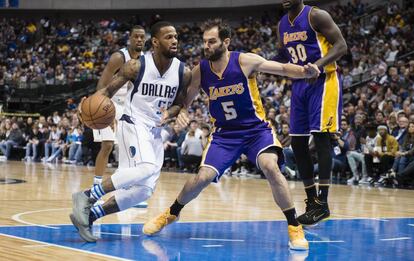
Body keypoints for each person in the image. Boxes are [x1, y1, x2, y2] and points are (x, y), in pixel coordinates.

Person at [142, 18, 320, 251]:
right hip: (225, 134)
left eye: (212, 41)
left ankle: (293, 226)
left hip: (256, 131)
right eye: (205, 42)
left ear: (225, 42)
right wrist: (182, 111)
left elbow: (282, 68)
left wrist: (305, 71)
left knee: (270, 166)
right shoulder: (201, 70)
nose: (206, 46)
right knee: (202, 177)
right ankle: (171, 213)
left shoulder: (245, 61)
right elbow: (187, 96)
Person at [70, 21, 192, 243]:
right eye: (168, 37)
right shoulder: (136, 66)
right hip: (133, 122)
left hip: (155, 130)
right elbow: (107, 91)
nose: (174, 40)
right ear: (155, 42)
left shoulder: (184, 72)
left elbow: (179, 103)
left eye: (176, 36)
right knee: (145, 168)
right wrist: (88, 104)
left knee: (143, 190)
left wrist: (171, 114)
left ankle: (90, 216)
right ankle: (87, 197)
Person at [277, 0, 347, 225]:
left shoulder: (316, 16)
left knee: (321, 138)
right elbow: (284, 57)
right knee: (297, 143)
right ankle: (312, 202)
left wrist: (317, 65)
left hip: (323, 81)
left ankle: (323, 203)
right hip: (299, 85)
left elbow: (341, 46)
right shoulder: (281, 25)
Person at [91, 25, 145, 185]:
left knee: (129, 147)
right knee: (107, 145)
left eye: (142, 37)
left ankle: (126, 185)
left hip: (127, 106)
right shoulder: (119, 57)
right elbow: (101, 86)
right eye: (136, 36)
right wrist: (107, 112)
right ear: (130, 38)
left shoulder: (145, 60)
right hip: (108, 102)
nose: (139, 39)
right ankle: (96, 185)